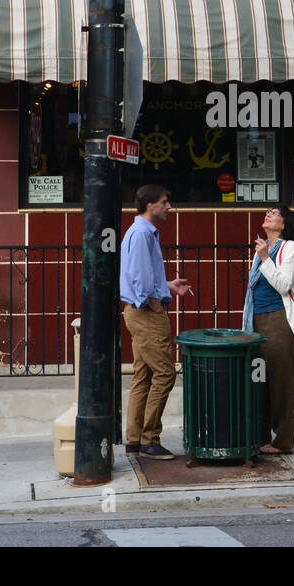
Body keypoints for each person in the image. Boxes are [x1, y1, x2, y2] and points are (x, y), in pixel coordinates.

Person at [119, 184, 192, 460]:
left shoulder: (141, 232)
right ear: (150, 205)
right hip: (146, 313)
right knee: (165, 373)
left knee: (144, 375)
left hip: (140, 310)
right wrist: (155, 302)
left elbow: (144, 275)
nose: (169, 207)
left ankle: (135, 440)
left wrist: (167, 286)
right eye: (164, 202)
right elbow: (138, 277)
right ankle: (150, 439)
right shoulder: (141, 234)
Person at [242, 206, 294, 455]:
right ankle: (260, 437)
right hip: (257, 321)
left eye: (275, 214)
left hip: (280, 321)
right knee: (258, 381)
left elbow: (283, 284)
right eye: (267, 213)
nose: (268, 216)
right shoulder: (262, 248)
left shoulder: (290, 248)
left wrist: (264, 258)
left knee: (281, 381)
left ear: (284, 225)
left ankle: (283, 441)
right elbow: (252, 290)